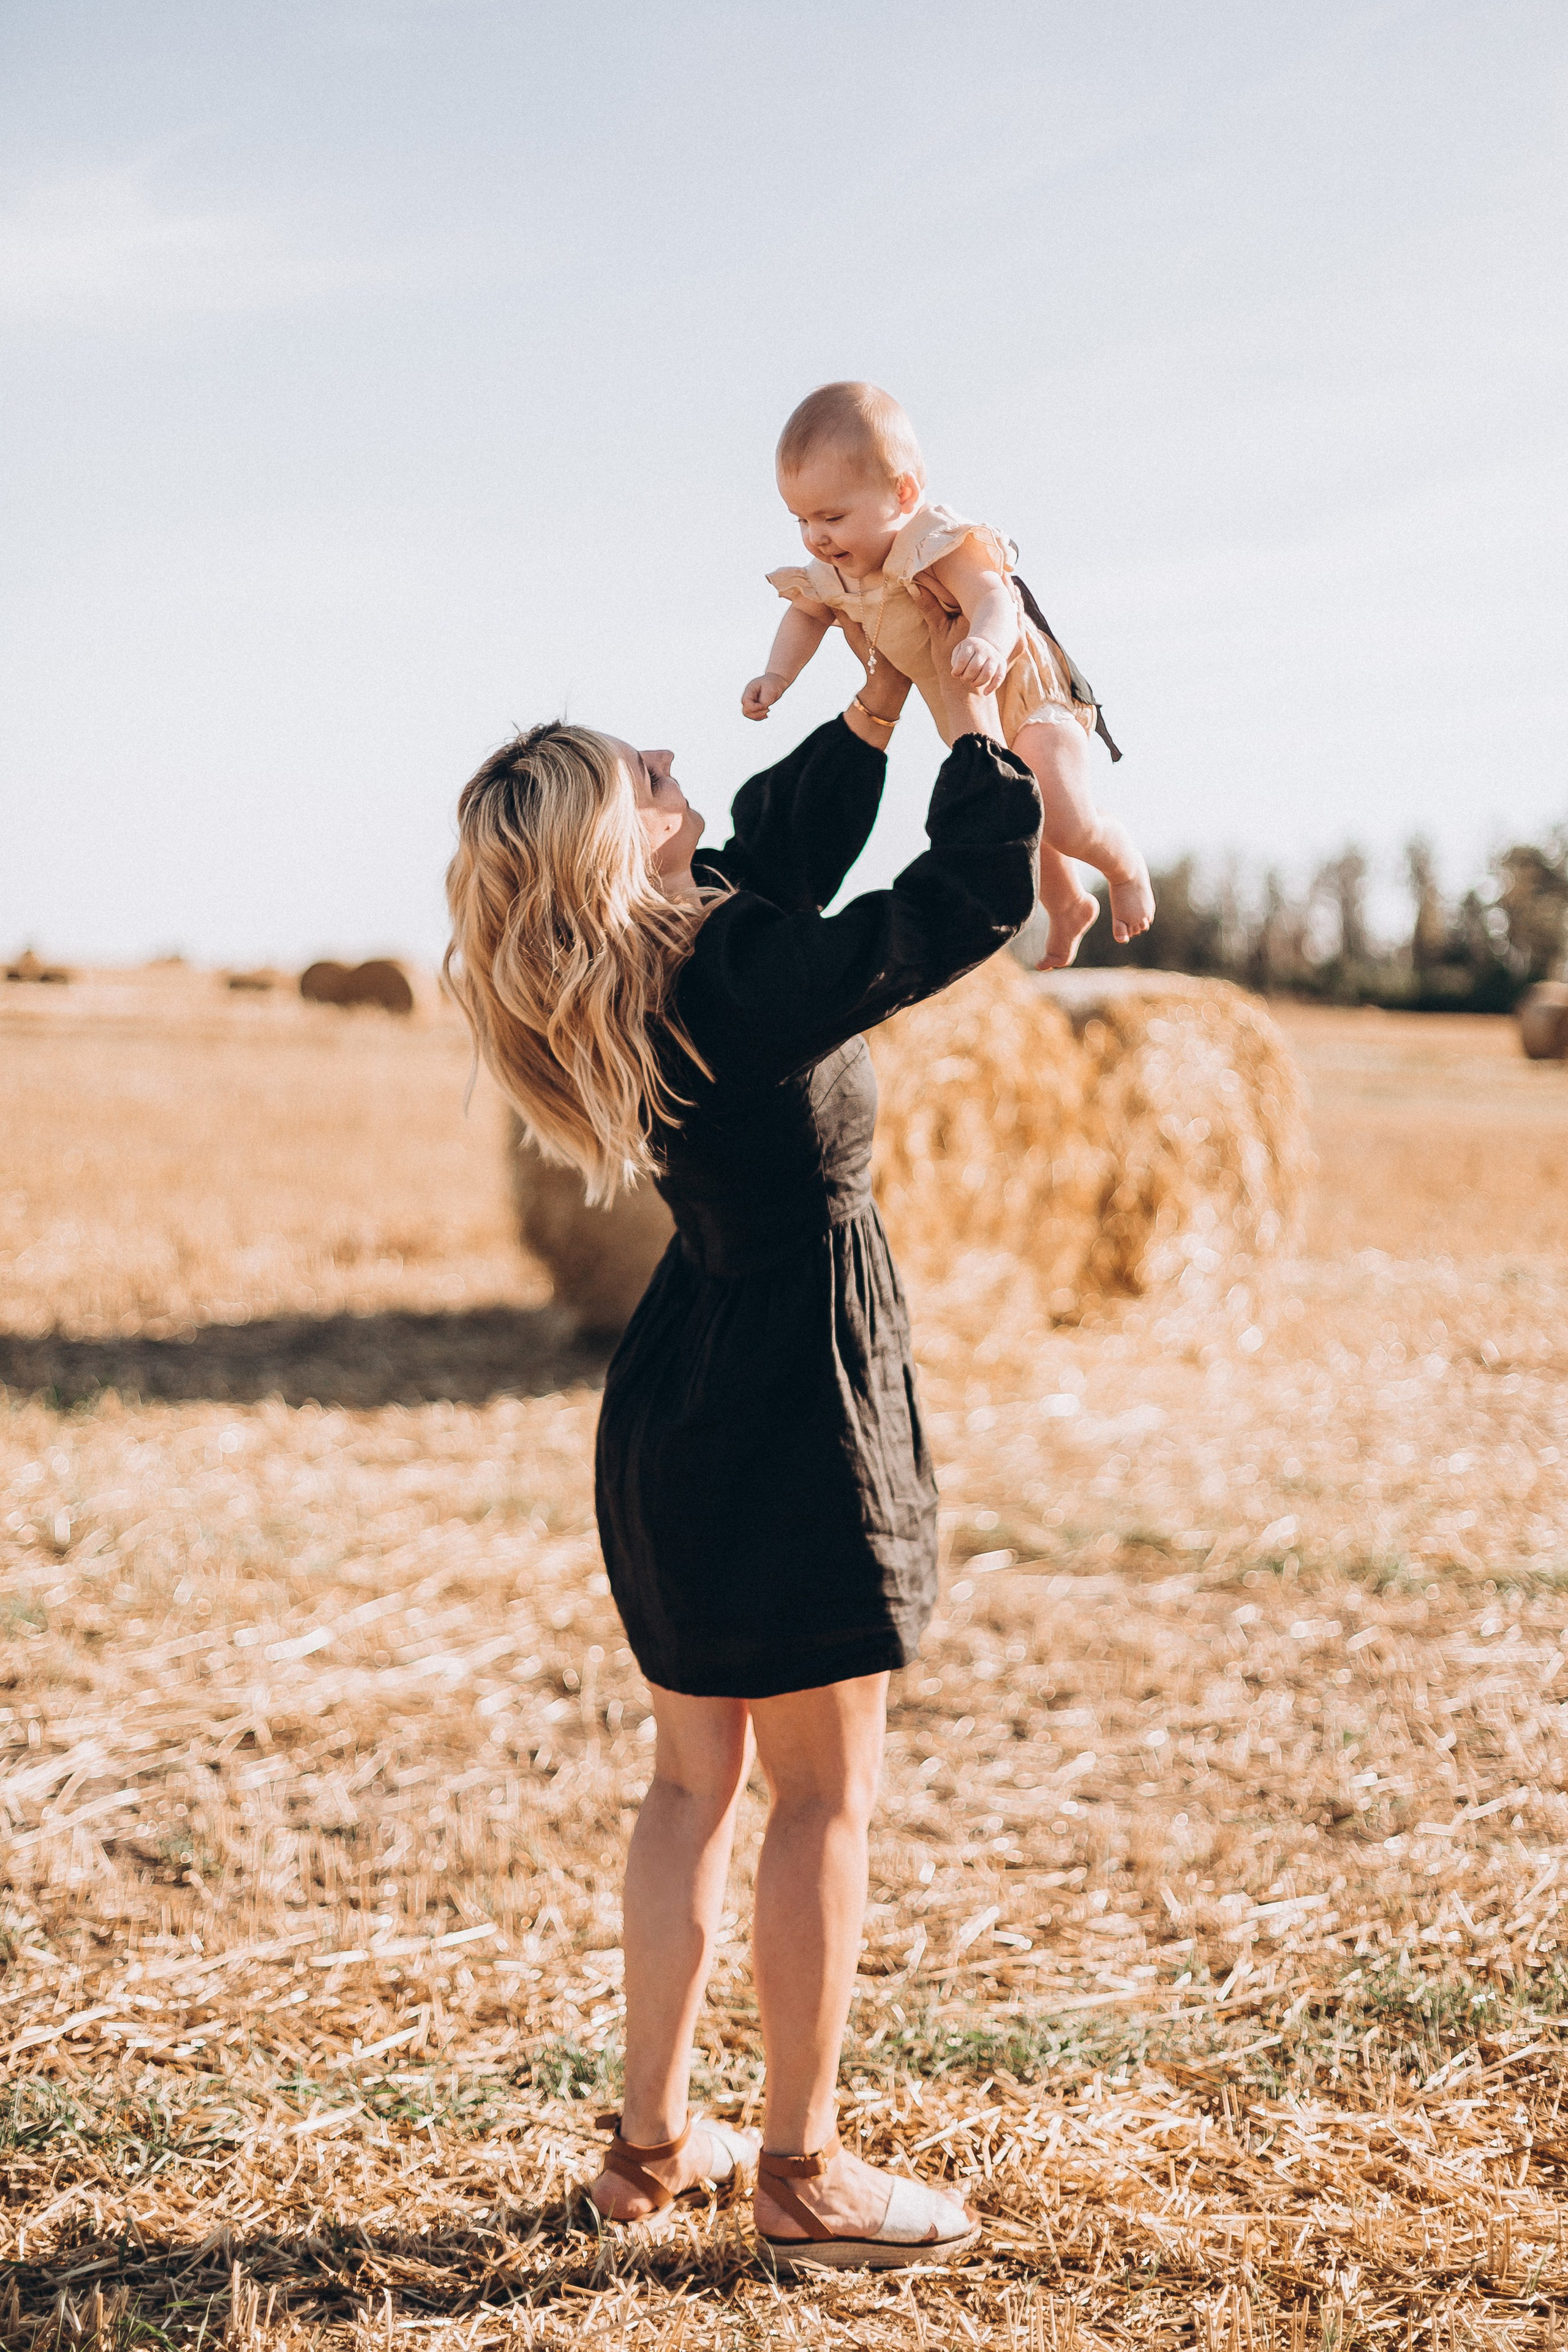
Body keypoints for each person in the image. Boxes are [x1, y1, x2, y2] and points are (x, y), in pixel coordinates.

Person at [443, 592, 1039, 2270]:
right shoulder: (740, 976)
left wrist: (876, 697)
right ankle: (803, 2174)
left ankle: (649, 2153)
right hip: (791, 1399)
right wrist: (978, 718)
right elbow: (964, 898)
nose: (667, 756)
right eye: (639, 777)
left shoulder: (660, 968)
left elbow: (779, 846)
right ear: (612, 853)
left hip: (681, 1398)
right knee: (824, 1796)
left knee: (689, 1783)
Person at [743, 379, 1155, 973]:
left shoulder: (932, 541)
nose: (817, 537)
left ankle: (1123, 865)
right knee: (1019, 814)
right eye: (802, 520)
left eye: (832, 516)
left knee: (1065, 823)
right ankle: (1066, 904)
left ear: (903, 492)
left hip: (1025, 690)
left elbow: (993, 596)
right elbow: (805, 616)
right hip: (965, 710)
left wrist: (987, 641)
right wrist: (776, 676)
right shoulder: (834, 573)